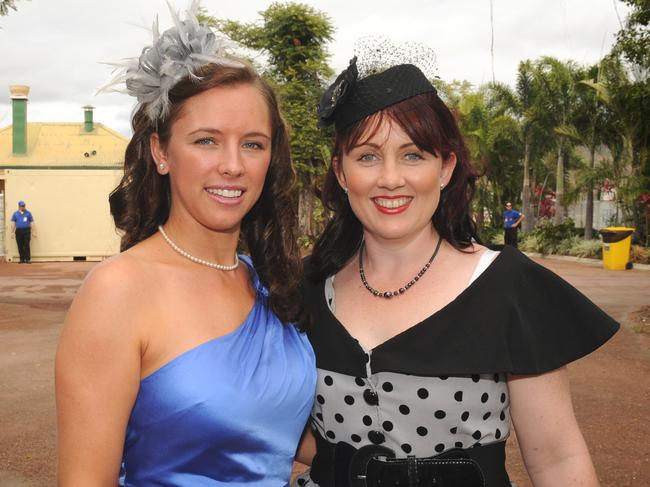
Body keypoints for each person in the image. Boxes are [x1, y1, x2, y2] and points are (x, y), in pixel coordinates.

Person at [295, 46, 619, 487]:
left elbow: (558, 461)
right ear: (341, 171)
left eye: (413, 155)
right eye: (367, 156)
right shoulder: (306, 288)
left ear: (445, 167)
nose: (391, 178)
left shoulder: (506, 287)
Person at [55, 5, 315, 486]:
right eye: (206, 141)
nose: (233, 165)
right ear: (160, 152)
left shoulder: (270, 285)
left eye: (253, 144)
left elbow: (269, 430)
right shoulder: (118, 292)